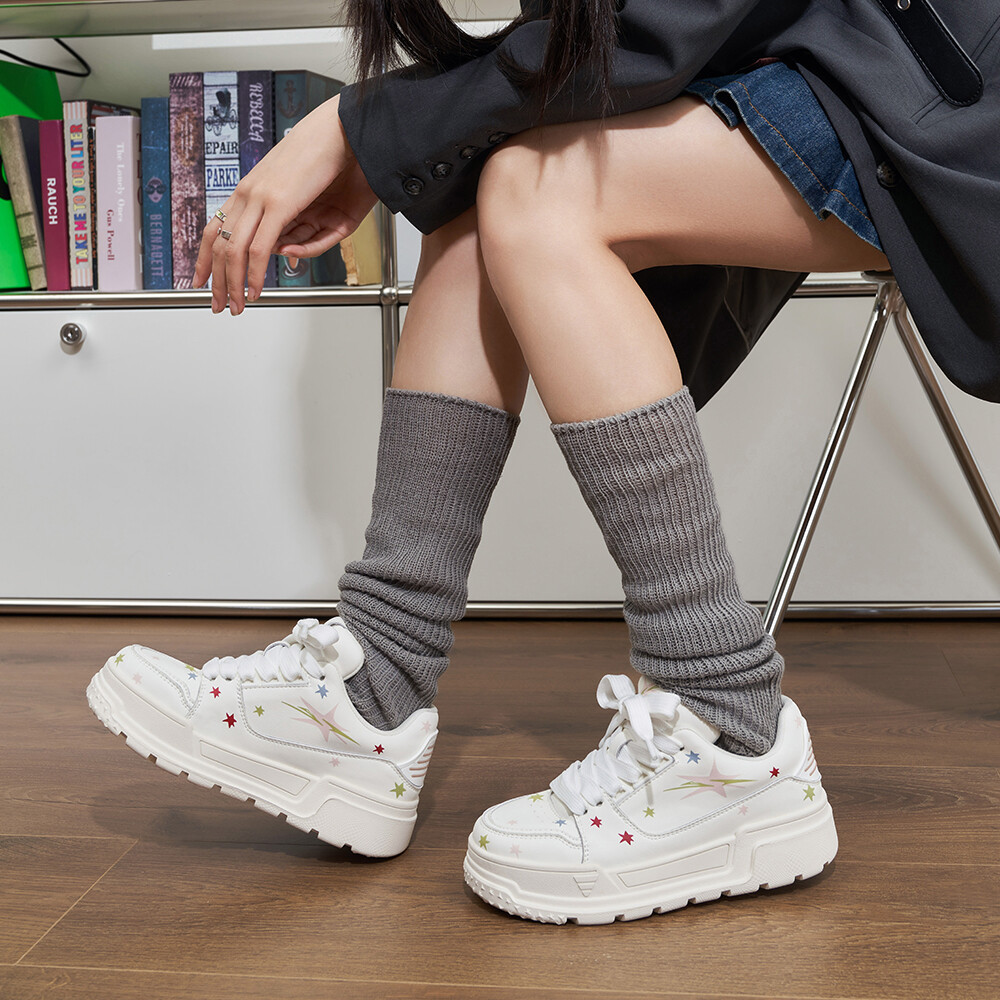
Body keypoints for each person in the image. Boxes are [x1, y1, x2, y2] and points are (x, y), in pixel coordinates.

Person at [87, 0, 977, 925]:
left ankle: (729, 729)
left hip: (935, 92)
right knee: (485, 186)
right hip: (820, 70)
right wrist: (378, 131)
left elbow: (660, 29)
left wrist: (352, 126)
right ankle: (372, 689)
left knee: (535, 185)